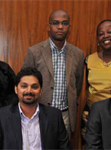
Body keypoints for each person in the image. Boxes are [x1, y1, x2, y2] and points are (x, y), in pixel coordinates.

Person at [22, 9, 84, 137]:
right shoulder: (34, 51)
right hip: (39, 113)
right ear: (49, 26)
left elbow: (77, 85)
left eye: (64, 23)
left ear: (69, 27)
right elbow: (24, 82)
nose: (60, 27)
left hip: (66, 115)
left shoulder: (78, 54)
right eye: (55, 23)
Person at [0, 67, 71, 150]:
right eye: (24, 86)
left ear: (40, 90)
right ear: (16, 89)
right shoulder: (2, 115)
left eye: (34, 87)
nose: (29, 91)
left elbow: (64, 147)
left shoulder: (54, 115)